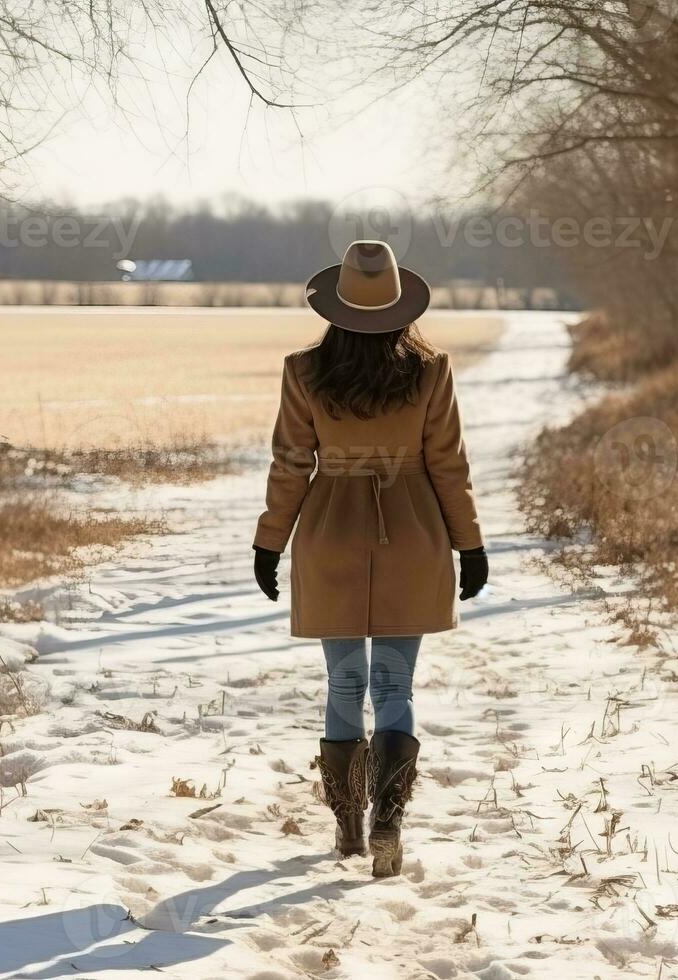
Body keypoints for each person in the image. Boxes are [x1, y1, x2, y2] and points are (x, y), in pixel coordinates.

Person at [252, 240, 489, 877]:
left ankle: (348, 826)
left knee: (344, 682)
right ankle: (388, 818)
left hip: (329, 529)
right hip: (413, 531)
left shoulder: (303, 371)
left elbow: (290, 465)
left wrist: (269, 541)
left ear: (336, 308)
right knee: (393, 684)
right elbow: (448, 465)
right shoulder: (431, 369)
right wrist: (470, 544)